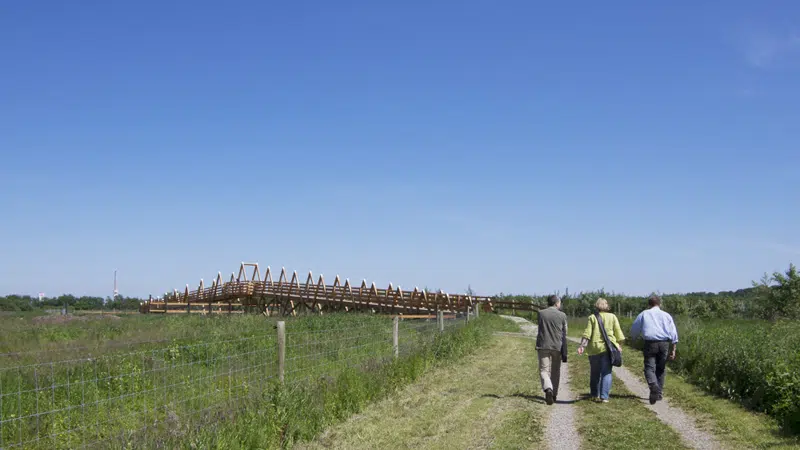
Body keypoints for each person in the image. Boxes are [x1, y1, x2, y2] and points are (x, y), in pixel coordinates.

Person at [629, 294, 679, 404]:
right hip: (664, 344)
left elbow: (634, 330)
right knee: (661, 369)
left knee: (649, 368)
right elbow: (673, 333)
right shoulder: (666, 315)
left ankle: (653, 385)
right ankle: (659, 394)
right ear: (659, 304)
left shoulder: (644, 314)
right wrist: (673, 349)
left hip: (650, 343)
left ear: (649, 304)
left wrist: (633, 340)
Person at [577, 298, 625, 403]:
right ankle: (604, 397)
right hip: (608, 349)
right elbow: (619, 334)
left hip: (594, 349)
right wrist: (619, 345)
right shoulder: (612, 317)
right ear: (607, 306)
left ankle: (594, 394)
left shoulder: (592, 317)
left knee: (595, 372)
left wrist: (582, 346)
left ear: (596, 306)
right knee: (606, 372)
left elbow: (587, 333)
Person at [535, 294, 568, 405]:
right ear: (556, 303)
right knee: (555, 370)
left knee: (544, 370)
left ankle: (548, 388)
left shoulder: (541, 313)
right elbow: (565, 331)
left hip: (543, 345)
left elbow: (540, 326)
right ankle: (554, 394)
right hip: (557, 346)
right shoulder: (562, 315)